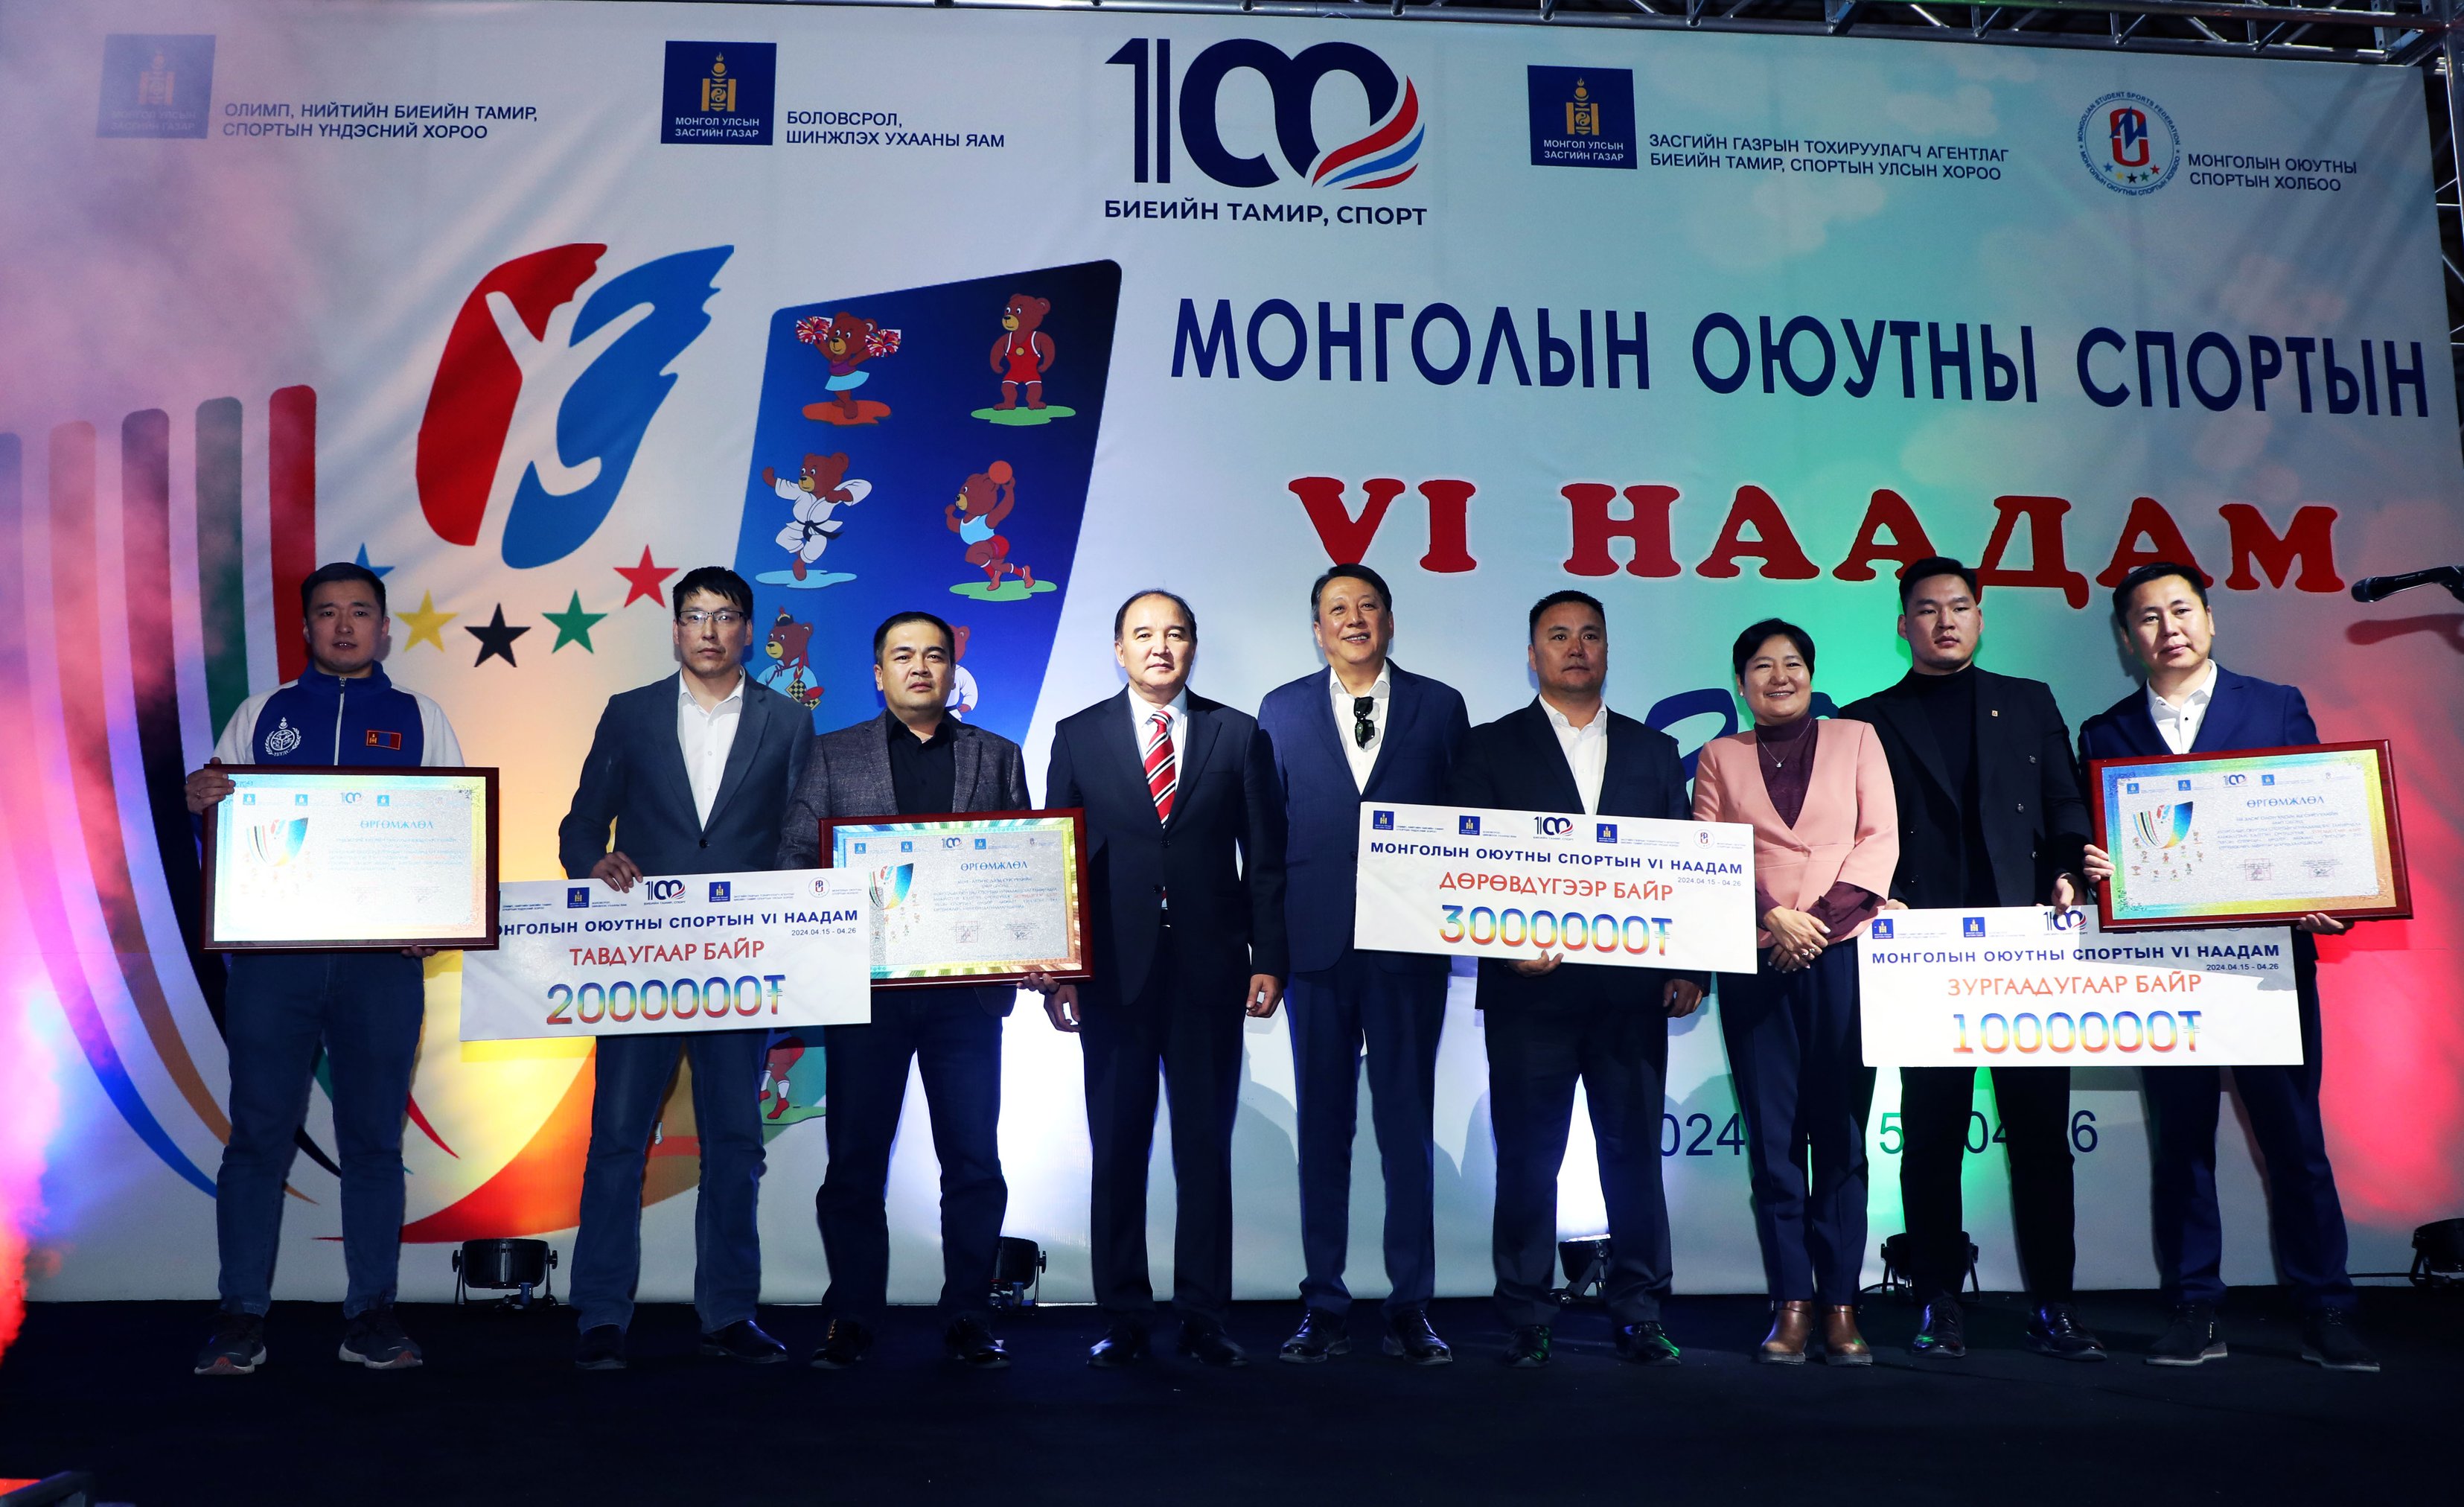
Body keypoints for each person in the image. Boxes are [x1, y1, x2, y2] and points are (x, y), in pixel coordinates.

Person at [2077, 561, 2378, 1371]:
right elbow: (2101, 845)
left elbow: (2317, 817)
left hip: (2264, 964)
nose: (2167, 627)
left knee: (2295, 1142)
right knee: (2181, 1145)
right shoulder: (2104, 733)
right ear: (2127, 639)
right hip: (2165, 969)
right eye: (2147, 617)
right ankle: (2194, 1306)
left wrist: (2333, 896)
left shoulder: (2275, 704)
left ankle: (2326, 1306)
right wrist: (2094, 868)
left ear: (2209, 620)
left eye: (2181, 610)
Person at [187, 561, 464, 1376]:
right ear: (306, 627)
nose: (344, 626)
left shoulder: (421, 716)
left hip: (381, 968)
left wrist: (438, 919)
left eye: (360, 611)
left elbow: (452, 830)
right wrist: (202, 800)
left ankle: (372, 1315)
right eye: (328, 612)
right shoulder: (261, 713)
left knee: (374, 1141)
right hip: (273, 965)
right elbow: (222, 831)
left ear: (384, 628)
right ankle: (240, 1317)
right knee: (257, 1139)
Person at [1837, 558, 2104, 1361]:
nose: (1944, 620)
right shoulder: (1867, 720)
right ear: (1903, 625)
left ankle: (2054, 1304)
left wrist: (2067, 868)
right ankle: (1937, 1301)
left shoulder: (2028, 700)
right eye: (1927, 609)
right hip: (1927, 951)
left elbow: (2065, 802)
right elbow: (1857, 830)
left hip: (2026, 947)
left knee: (2041, 1136)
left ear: (1980, 617)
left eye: (1958, 606)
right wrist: (1878, 896)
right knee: (1931, 1134)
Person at [559, 567, 811, 1371]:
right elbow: (579, 824)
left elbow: (802, 836)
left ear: (748, 631)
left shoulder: (789, 721)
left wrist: (785, 906)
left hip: (742, 962)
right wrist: (591, 863)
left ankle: (729, 1313)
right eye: (694, 616)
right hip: (641, 959)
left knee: (736, 1141)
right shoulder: (629, 712)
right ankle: (601, 1313)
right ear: (675, 629)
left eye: (725, 616)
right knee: (617, 1138)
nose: (709, 630)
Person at [1449, 590, 1707, 1368]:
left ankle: (1639, 1309)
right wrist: (1501, 948)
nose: (1575, 647)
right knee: (1529, 1157)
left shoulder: (1653, 750)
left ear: (1606, 651)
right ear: (1531, 655)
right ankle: (1527, 1313)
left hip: (1631, 993)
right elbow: (1467, 864)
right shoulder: (1488, 747)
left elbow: (1683, 864)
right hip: (1529, 992)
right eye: (1558, 635)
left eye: (1589, 634)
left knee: (1634, 1158)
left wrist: (1690, 963)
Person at [1035, 590, 1288, 1368]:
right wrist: (1062, 970)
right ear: (1119, 649)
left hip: (1211, 971)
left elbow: (1265, 857)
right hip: (1113, 975)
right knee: (1118, 1148)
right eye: (1143, 634)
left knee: (1203, 1148)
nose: (1159, 647)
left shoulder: (1237, 733)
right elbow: (1058, 862)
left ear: (1192, 646)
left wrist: (1269, 956)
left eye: (1174, 633)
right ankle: (1124, 1313)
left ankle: (1204, 1312)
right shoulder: (1078, 735)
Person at [776, 611, 1032, 1371]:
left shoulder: (998, 755)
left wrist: (1036, 944)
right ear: (878, 673)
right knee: (854, 1163)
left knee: (973, 1162)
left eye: (934, 655)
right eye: (903, 655)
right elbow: (794, 859)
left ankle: (970, 1314)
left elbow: (1026, 867)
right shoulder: (831, 754)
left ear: (953, 671)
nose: (920, 667)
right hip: (866, 995)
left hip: (966, 997)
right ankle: (852, 1315)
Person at [1256, 564, 1469, 1366]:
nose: (1354, 619)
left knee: (1406, 1127)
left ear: (1389, 620)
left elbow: (1466, 825)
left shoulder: (1439, 706)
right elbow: (1265, 842)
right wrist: (1268, 954)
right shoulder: (1280, 710)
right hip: (1314, 950)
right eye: (1337, 609)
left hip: (1409, 947)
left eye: (1367, 606)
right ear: (1317, 630)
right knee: (1323, 1128)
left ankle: (1412, 1305)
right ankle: (1323, 1302)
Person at [1693, 619, 1897, 1366]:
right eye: (1761, 665)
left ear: (1811, 674)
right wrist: (1770, 918)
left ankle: (1841, 1304)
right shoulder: (1719, 755)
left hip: (1842, 957)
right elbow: (1707, 850)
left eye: (1791, 663)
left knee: (1840, 1134)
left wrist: (1813, 923)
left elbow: (1879, 840)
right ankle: (1792, 1304)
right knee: (1774, 1143)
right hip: (1756, 961)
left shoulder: (1857, 739)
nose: (1778, 676)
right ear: (1740, 682)